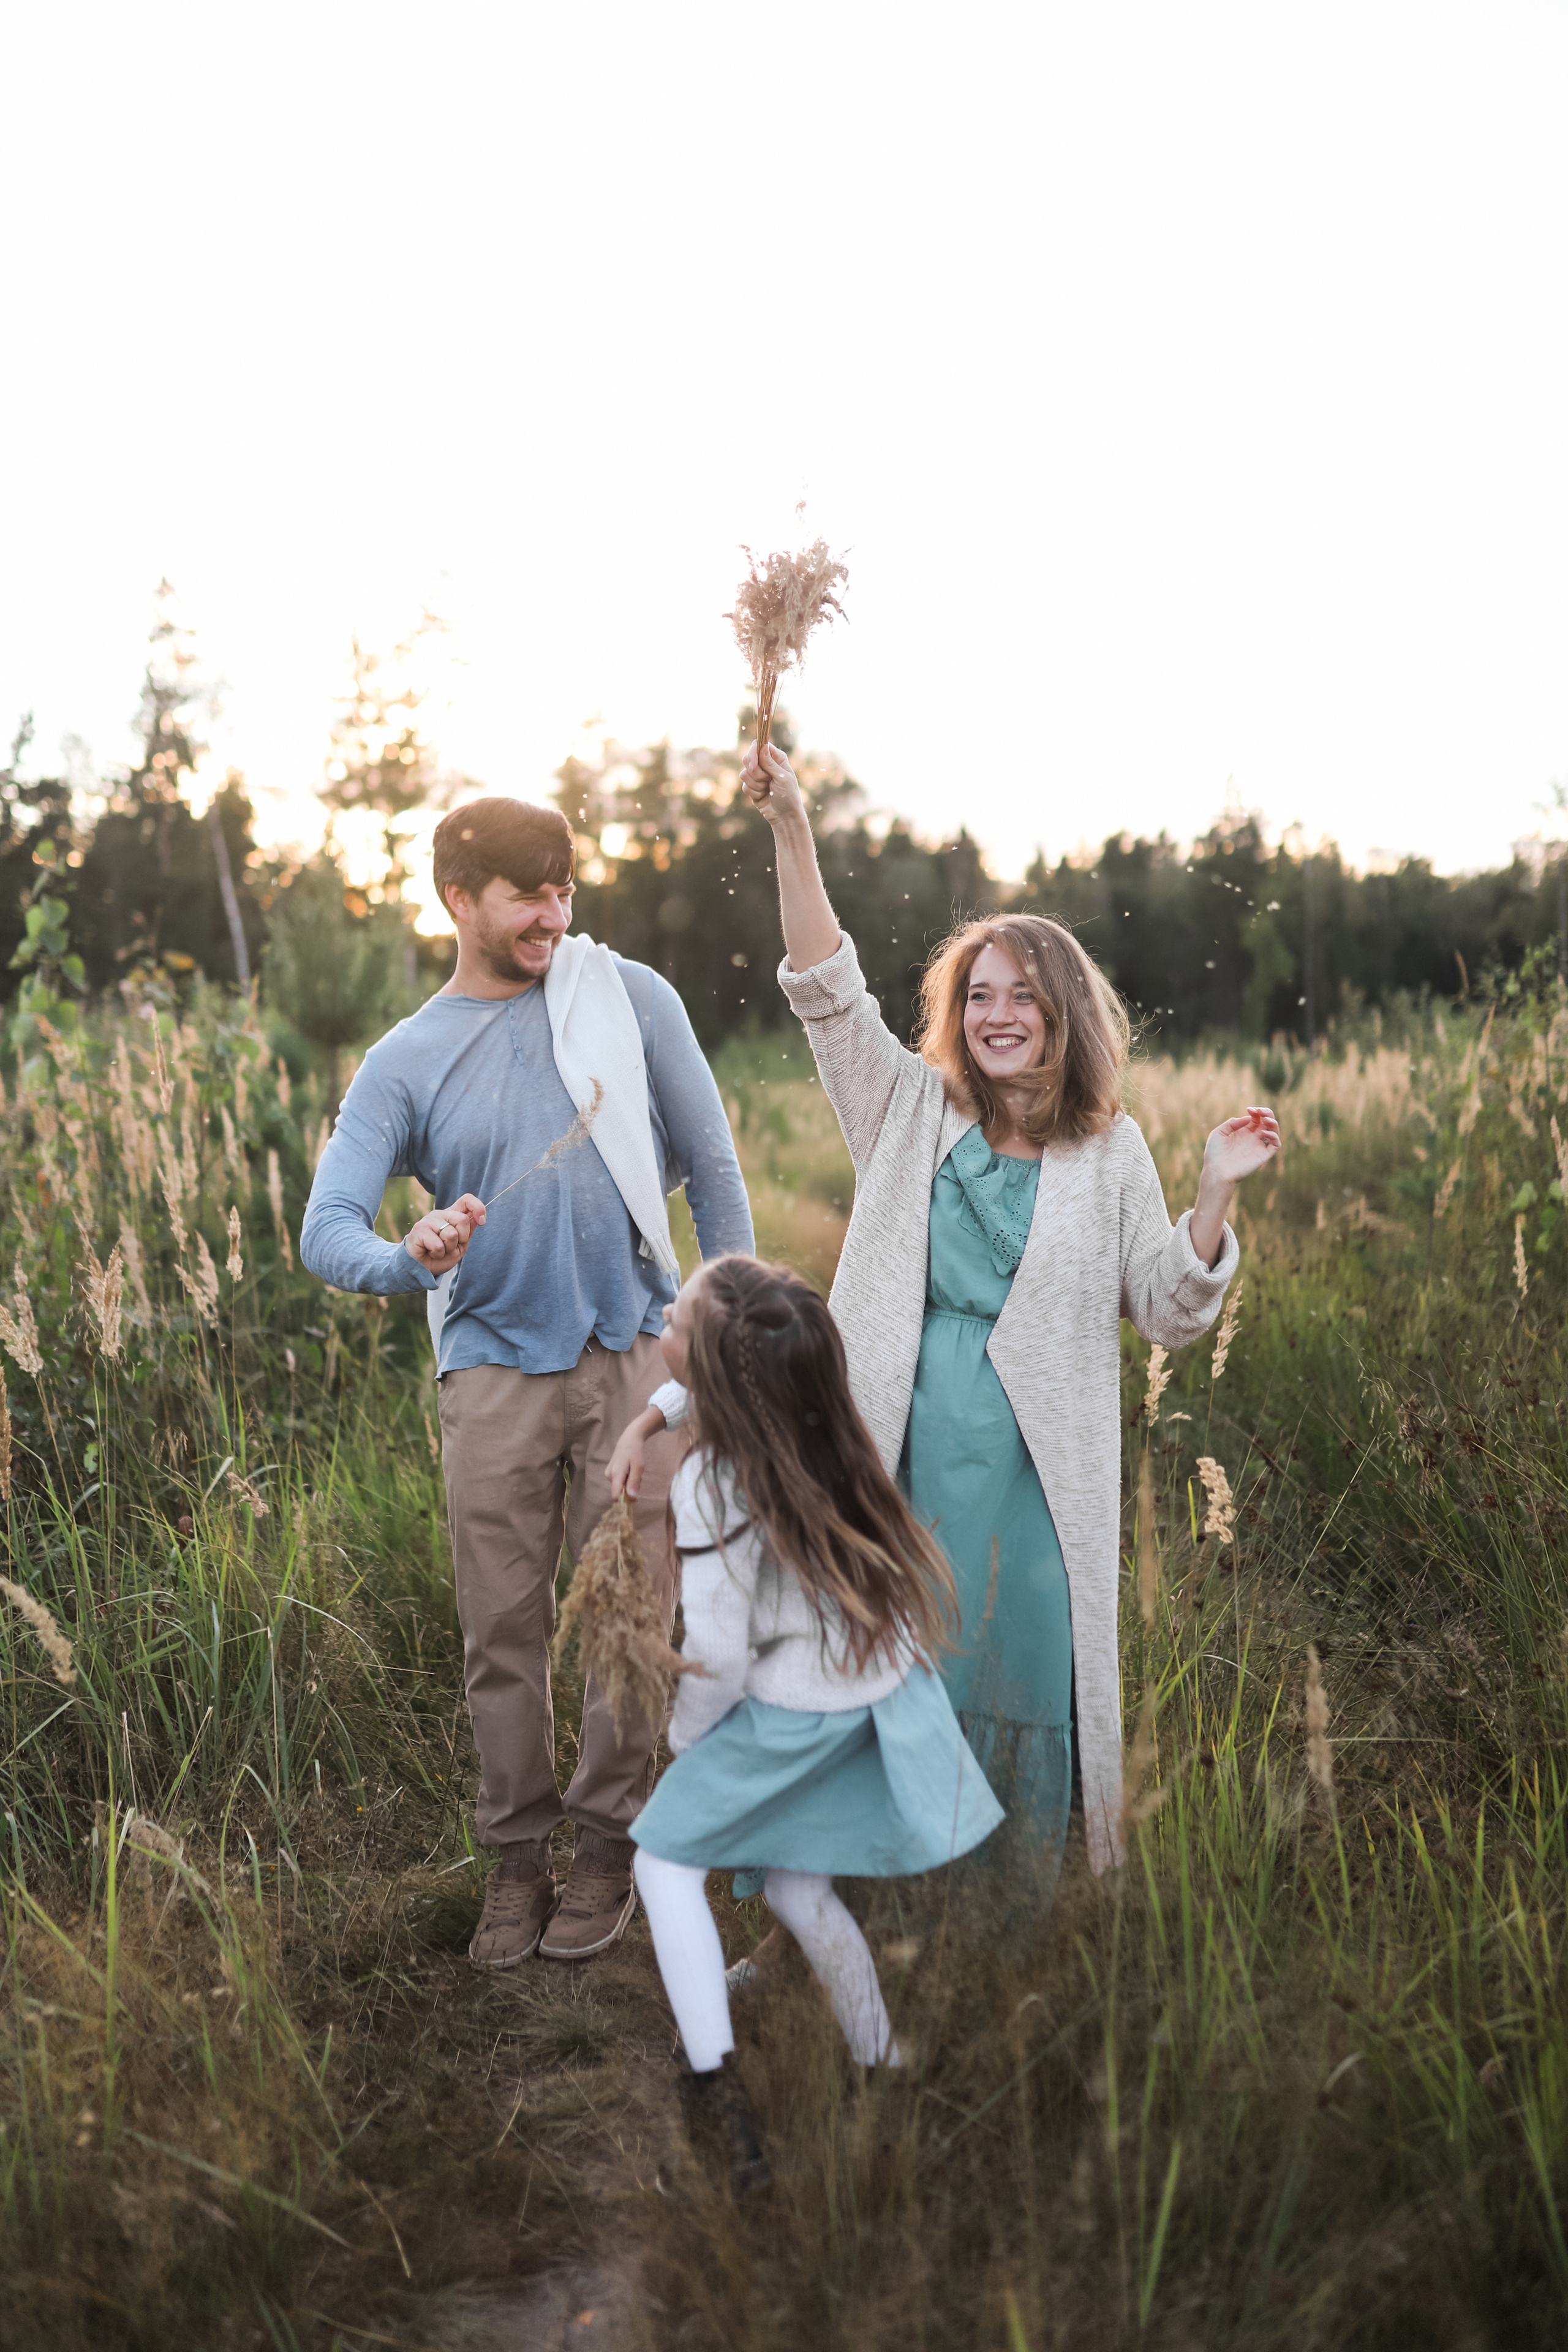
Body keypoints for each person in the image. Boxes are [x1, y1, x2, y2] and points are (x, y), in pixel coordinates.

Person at [734, 742, 1280, 1894]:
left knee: (1013, 1669)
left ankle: (993, 1925)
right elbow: (826, 985)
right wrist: (792, 826)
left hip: (1037, 1469)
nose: (997, 1014)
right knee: (879, 1654)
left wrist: (1214, 1195)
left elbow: (1167, 1310)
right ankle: (848, 1920)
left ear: (1062, 1010)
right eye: (978, 995)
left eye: (1023, 994)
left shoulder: (1110, 1151)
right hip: (897, 1441)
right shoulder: (906, 1108)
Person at [300, 798, 753, 1969]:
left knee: (630, 1617)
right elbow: (326, 1226)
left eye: (566, 890)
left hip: (635, 1356)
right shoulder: (405, 1059)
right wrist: (406, 1256)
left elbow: (712, 1166)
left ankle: (608, 1846)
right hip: (492, 1371)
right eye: (527, 895)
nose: (555, 915)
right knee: (502, 1629)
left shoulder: (630, 998)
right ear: (459, 899)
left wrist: (724, 1325)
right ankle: (516, 1859)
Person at [609, 1254, 1003, 2195]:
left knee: (662, 1863)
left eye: (678, 1320)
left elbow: (716, 1653)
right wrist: (650, 1416)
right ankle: (883, 2065)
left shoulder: (715, 1485)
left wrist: (690, 1746)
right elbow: (723, 1370)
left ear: (715, 1372)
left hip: (794, 1708)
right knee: (796, 1888)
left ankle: (718, 2115)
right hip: (871, 1686)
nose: (664, 1320)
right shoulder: (811, 1417)